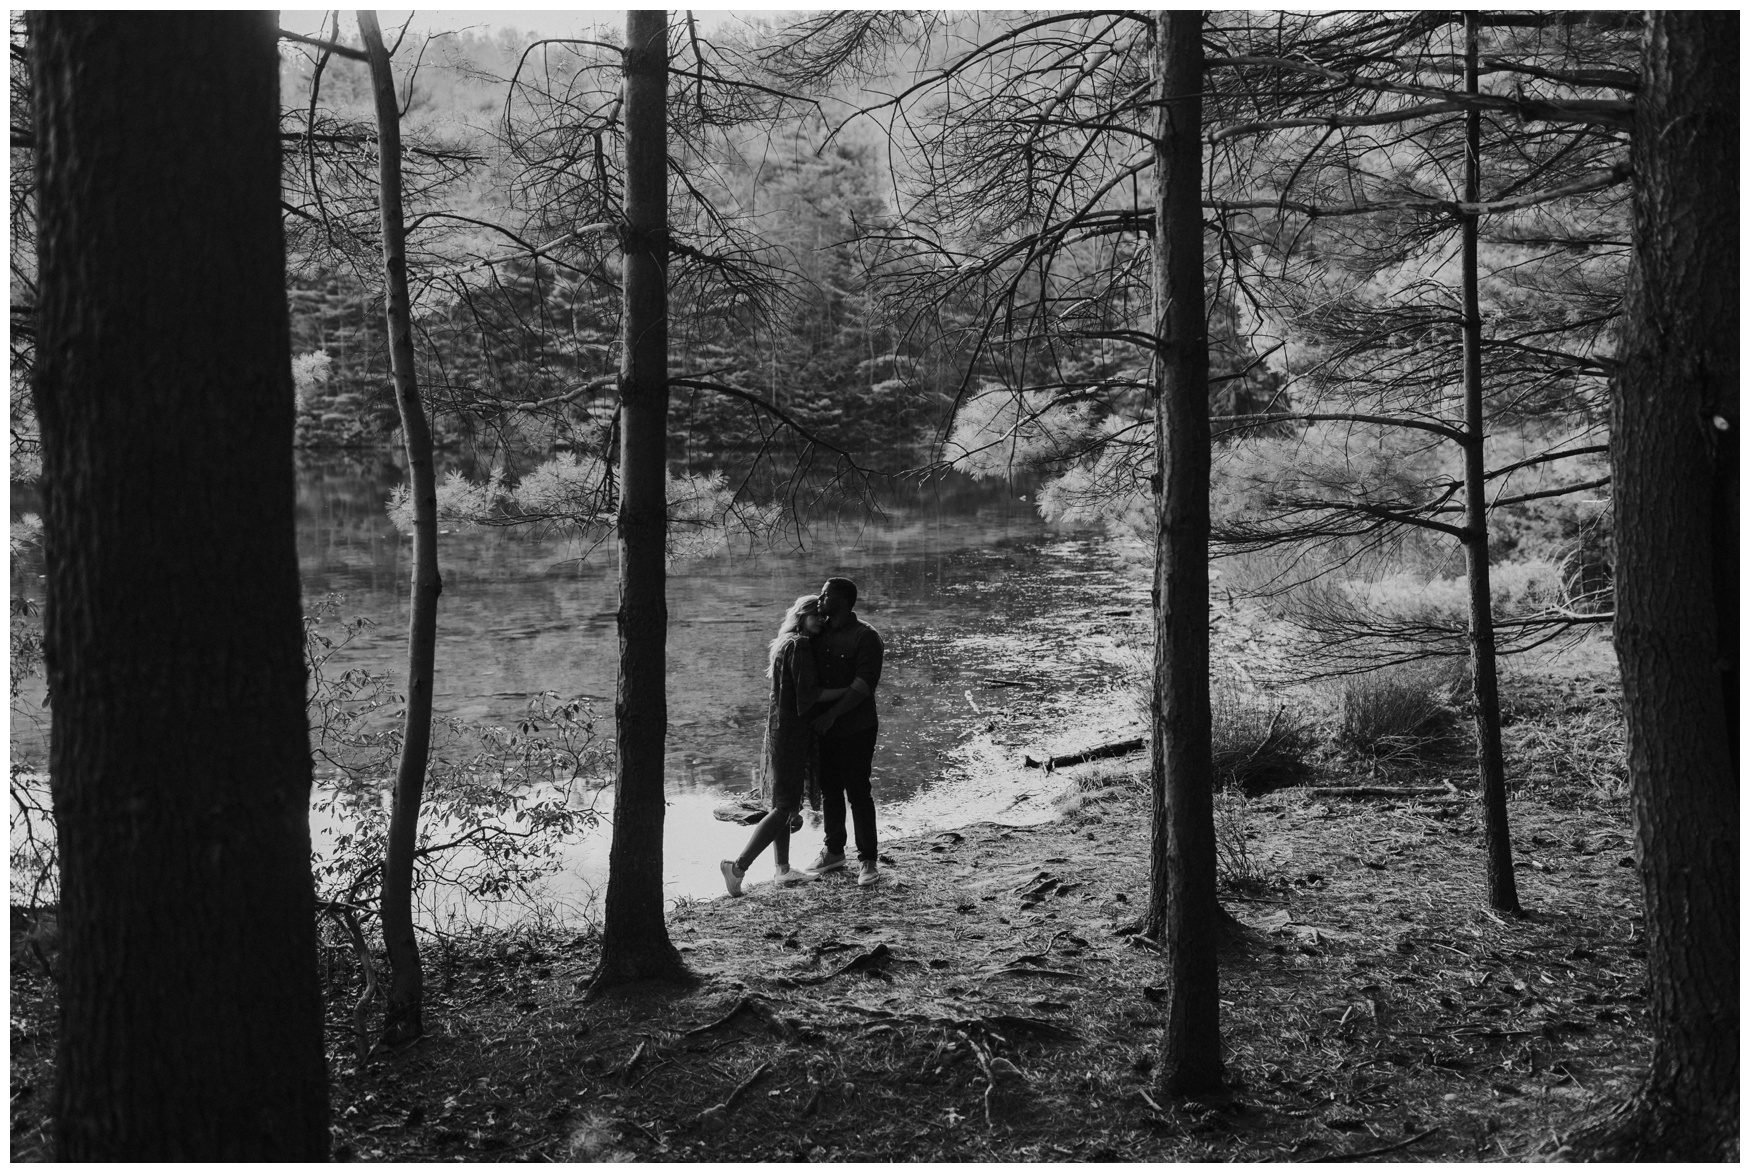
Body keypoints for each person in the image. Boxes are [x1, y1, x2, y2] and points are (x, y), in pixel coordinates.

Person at [720, 595, 850, 897]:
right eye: (815, 615)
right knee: (783, 808)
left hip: (780, 730)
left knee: (784, 805)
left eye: (824, 616)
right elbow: (809, 697)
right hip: (792, 734)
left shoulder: (786, 643)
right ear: (801, 616)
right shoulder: (800, 646)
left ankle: (782, 870)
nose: (821, 620)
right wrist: (847, 691)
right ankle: (737, 867)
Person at [806, 576, 885, 886]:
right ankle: (834, 850)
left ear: (841, 601)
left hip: (857, 728)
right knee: (829, 790)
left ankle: (868, 860)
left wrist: (832, 715)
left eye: (825, 595)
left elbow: (863, 686)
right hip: (824, 729)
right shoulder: (819, 633)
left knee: (858, 791)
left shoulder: (866, 637)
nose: (820, 599)